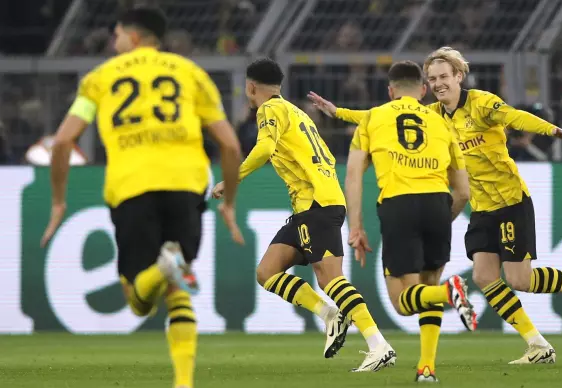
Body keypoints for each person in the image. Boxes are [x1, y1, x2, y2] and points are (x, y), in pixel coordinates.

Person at [308, 46, 562, 364]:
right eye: (432, 79)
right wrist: (338, 113)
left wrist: (553, 131)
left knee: (520, 280)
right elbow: (380, 117)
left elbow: (516, 117)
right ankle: (537, 345)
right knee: (485, 277)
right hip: (481, 207)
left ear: (459, 76)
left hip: (510, 200)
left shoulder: (482, 104)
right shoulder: (431, 115)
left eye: (444, 76)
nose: (438, 83)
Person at [40, 8, 245, 388]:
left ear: (133, 38)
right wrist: (229, 204)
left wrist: (57, 203)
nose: (113, 43)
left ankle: (162, 269)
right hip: (187, 185)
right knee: (177, 286)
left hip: (131, 186)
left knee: (138, 299)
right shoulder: (191, 73)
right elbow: (231, 145)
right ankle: (183, 383)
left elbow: (65, 140)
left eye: (116, 35)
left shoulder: (99, 78)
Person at [212, 58, 396, 372]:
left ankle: (379, 345)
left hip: (316, 204)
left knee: (331, 279)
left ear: (251, 86)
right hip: (313, 204)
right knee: (267, 272)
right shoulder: (296, 111)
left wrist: (232, 178)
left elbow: (263, 148)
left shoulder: (268, 110)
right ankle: (329, 315)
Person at [344, 61, 474, 382]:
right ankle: (426, 367)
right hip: (437, 202)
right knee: (426, 289)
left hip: (398, 203)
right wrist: (444, 218)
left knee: (403, 302)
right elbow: (464, 190)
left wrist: (356, 226)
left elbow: (353, 177)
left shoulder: (373, 117)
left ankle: (449, 293)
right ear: (423, 90)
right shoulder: (442, 122)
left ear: (390, 92)